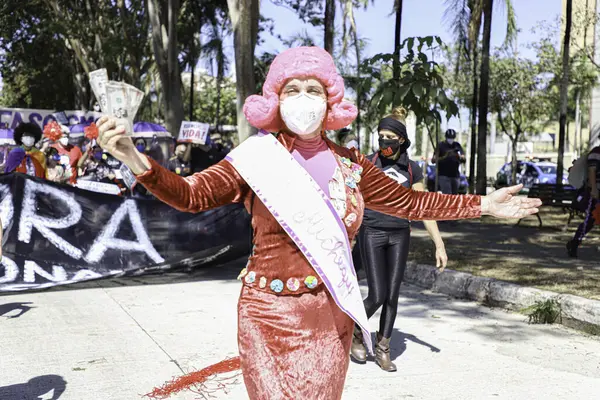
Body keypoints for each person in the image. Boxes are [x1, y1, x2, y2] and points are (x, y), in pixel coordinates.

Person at [97, 46, 540, 400]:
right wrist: (134, 158)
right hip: (267, 314)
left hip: (330, 317)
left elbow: (406, 202)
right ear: (275, 99)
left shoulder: (352, 165)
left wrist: (484, 204)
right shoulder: (255, 158)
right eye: (293, 89)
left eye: (314, 88)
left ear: (331, 100)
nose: (304, 98)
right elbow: (191, 195)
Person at [351, 107, 448, 372]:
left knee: (392, 295)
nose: (384, 141)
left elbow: (425, 208)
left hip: (399, 234)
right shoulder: (368, 164)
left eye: (390, 137)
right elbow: (352, 200)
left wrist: (438, 244)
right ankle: (356, 331)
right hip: (372, 232)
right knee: (378, 294)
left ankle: (383, 347)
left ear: (402, 140)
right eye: (381, 136)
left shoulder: (411, 169)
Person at [567, 145, 600, 257]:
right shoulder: (596, 153)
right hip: (597, 191)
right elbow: (592, 171)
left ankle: (574, 243)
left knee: (590, 220)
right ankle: (575, 243)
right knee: (590, 220)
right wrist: (594, 189)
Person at [432, 129, 466, 194]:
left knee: (454, 196)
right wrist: (445, 156)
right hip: (444, 176)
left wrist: (459, 156)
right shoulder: (440, 145)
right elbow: (433, 160)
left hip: (455, 176)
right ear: (446, 137)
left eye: (452, 138)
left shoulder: (457, 145)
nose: (451, 140)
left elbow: (463, 158)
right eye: (449, 138)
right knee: (448, 196)